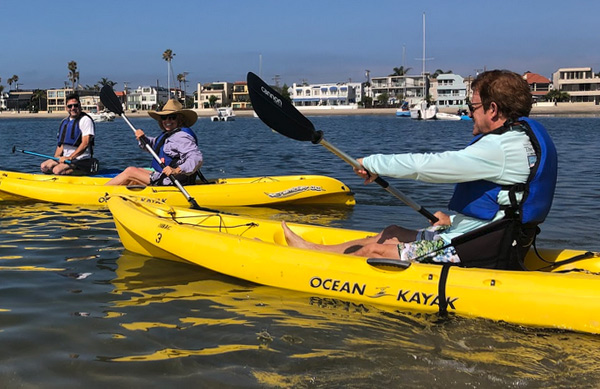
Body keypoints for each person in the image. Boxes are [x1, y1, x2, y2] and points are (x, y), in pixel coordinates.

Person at [283, 70, 558, 269]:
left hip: (478, 248)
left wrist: (374, 164)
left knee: (374, 250)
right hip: (484, 234)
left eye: (472, 107)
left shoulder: (500, 148)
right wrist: (454, 221)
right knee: (392, 231)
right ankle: (314, 250)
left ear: (493, 110)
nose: (469, 113)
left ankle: (312, 269)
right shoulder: (524, 137)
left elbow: (430, 166)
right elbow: (504, 201)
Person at [105, 99, 203, 186]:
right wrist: (143, 138)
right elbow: (154, 144)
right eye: (164, 118)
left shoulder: (181, 137)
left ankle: (102, 192)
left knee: (130, 171)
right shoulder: (169, 134)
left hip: (174, 181)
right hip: (165, 176)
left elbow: (196, 158)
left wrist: (176, 170)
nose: (167, 120)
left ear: (179, 119)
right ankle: (117, 190)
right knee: (138, 170)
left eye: (172, 117)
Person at [41, 94, 98, 175]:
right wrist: (57, 157)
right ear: (66, 108)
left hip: (81, 159)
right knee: (44, 166)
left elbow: (85, 143)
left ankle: (84, 171)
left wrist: (70, 157)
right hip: (66, 158)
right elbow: (61, 144)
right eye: (70, 106)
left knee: (57, 170)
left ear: (80, 106)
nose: (73, 108)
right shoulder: (64, 122)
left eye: (75, 105)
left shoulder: (85, 120)